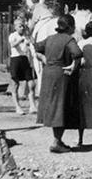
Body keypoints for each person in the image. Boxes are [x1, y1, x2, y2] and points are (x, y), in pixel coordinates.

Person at [34, 14, 82, 153]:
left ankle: (58, 140)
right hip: (61, 74)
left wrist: (43, 58)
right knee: (60, 107)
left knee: (54, 105)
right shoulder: (68, 39)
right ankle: (56, 142)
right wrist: (74, 65)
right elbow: (77, 53)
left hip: (48, 73)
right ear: (71, 27)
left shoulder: (50, 39)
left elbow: (36, 47)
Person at [8, 19, 37, 115]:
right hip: (15, 59)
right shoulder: (13, 35)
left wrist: (29, 41)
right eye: (20, 26)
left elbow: (31, 46)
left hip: (25, 59)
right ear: (15, 27)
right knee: (15, 84)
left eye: (23, 26)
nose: (22, 28)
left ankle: (32, 106)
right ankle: (17, 107)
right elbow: (13, 45)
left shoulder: (26, 36)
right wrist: (20, 40)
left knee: (31, 83)